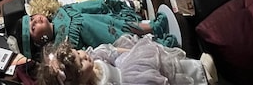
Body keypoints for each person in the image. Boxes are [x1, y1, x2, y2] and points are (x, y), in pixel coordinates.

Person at [14, 0, 178, 60]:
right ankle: (157, 42)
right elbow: (88, 53)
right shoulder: (61, 46)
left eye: (33, 18)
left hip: (105, 21)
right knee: (126, 37)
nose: (36, 21)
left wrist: (103, 3)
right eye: (33, 28)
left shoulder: (60, 13)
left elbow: (83, 7)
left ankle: (152, 26)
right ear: (38, 42)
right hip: (103, 37)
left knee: (124, 24)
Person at [36, 34, 217, 85]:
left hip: (130, 65)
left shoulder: (95, 57)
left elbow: (112, 52)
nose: (84, 56)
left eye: (78, 53)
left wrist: (132, 50)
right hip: (134, 81)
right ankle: (203, 80)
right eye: (80, 63)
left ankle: (199, 70)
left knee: (170, 68)